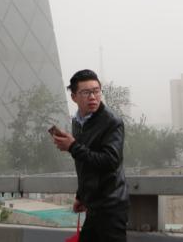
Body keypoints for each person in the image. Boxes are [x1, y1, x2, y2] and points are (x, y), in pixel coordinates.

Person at [51, 69, 129, 241]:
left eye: (96, 91)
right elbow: (84, 164)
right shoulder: (78, 121)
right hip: (93, 205)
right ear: (74, 97)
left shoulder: (111, 122)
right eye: (86, 92)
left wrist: (72, 146)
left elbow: (110, 161)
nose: (93, 97)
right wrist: (81, 195)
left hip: (111, 206)